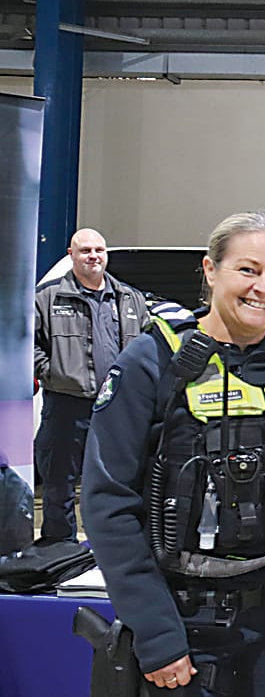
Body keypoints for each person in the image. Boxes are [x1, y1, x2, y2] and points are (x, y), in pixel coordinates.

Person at [82, 210, 265, 695]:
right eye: (248, 270)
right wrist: (157, 634)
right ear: (210, 269)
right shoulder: (153, 360)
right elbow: (107, 503)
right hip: (186, 625)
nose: (264, 288)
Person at [33, 228, 149, 541]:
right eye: (85, 250)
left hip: (118, 407)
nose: (93, 256)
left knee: (119, 483)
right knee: (60, 484)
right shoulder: (47, 297)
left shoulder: (129, 299)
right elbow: (25, 344)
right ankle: (60, 550)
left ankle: (114, 549)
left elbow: (150, 347)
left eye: (99, 250)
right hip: (68, 405)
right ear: (71, 255)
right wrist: (51, 372)